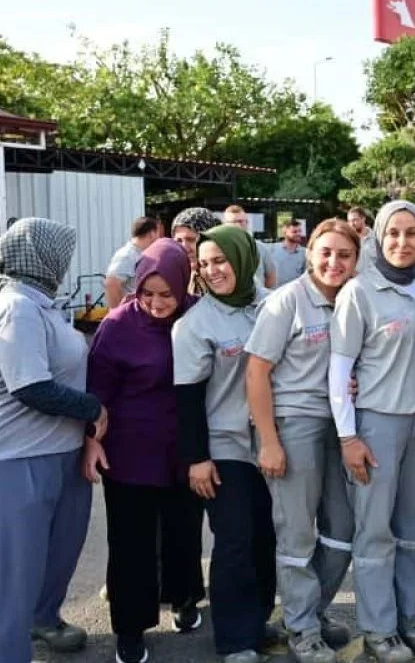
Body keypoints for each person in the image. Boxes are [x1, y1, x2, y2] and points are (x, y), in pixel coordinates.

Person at [0, 218, 104, 662]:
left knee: (48, 562)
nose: (66, 263)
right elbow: (31, 387)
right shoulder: (16, 306)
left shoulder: (40, 303)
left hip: (53, 453)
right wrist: (94, 409)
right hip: (10, 459)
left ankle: (42, 619)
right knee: (9, 579)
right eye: (61, 253)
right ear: (41, 257)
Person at [328, 200, 415, 663]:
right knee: (374, 530)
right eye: (392, 233)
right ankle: (379, 629)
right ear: (377, 237)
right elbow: (340, 371)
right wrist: (348, 436)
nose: (402, 242)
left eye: (411, 233)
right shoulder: (359, 292)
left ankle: (407, 617)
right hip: (377, 423)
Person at [245, 218, 361, 663]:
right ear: (309, 253)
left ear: (356, 259)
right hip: (295, 424)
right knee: (296, 535)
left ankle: (311, 609)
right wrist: (269, 441)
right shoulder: (286, 302)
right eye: (325, 252)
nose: (334, 262)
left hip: (341, 425)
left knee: (342, 531)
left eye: (344, 255)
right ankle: (302, 630)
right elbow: (256, 372)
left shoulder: (353, 298)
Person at [85, 239, 207, 663]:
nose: (156, 303)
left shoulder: (198, 314)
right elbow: (97, 393)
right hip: (130, 452)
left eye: (166, 294)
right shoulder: (118, 326)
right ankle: (130, 629)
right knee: (131, 543)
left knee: (184, 531)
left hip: (185, 449)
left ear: (182, 284)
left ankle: (184, 598)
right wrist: (91, 441)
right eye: (147, 293)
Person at [173, 224, 276, 663]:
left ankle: (258, 619)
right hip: (224, 446)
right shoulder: (195, 324)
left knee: (266, 537)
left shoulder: (274, 305)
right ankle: (235, 639)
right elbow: (188, 398)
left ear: (243, 258)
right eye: (205, 263)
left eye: (221, 260)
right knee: (234, 539)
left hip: (271, 443)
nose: (212, 270)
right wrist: (197, 459)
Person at [105, 216, 162, 308]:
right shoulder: (127, 255)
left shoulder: (140, 254)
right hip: (130, 314)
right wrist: (119, 313)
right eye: (158, 233)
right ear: (151, 233)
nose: (159, 238)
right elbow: (111, 284)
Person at [224, 205, 279, 290]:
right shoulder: (218, 248)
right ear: (225, 224)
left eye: (242, 221)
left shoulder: (261, 248)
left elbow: (271, 276)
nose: (238, 225)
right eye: (234, 222)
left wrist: (265, 295)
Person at [172, 206, 220, 295]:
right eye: (179, 241)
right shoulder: (171, 281)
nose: (184, 248)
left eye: (191, 240)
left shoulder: (226, 280)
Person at [272, 219, 308, 286]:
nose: (298, 234)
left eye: (299, 231)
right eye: (294, 232)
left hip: (296, 291)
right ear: (285, 232)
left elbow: (306, 277)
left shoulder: (305, 253)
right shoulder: (273, 249)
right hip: (276, 290)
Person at [347, 206, 377, 273]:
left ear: (363, 219)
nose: (351, 224)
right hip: (354, 278)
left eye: (354, 220)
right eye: (349, 221)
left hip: (373, 277)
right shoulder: (347, 240)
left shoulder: (376, 238)